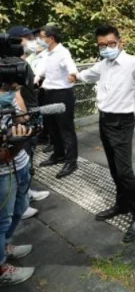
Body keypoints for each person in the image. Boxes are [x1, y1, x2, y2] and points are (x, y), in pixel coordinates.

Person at [68, 25, 135, 243]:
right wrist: (76, 76)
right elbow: (88, 74)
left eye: (111, 44)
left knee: (125, 171)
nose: (107, 48)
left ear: (120, 42)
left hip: (122, 122)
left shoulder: (132, 63)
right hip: (105, 119)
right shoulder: (103, 64)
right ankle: (122, 204)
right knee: (115, 168)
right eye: (102, 45)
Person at [6, 26, 50, 218]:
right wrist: (24, 117)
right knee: (20, 157)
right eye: (27, 38)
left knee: (28, 156)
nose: (33, 41)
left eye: (33, 37)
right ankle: (19, 204)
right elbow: (15, 93)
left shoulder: (23, 63)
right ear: (16, 41)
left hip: (31, 113)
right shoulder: (11, 65)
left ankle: (26, 193)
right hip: (23, 118)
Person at [0, 58, 36, 286]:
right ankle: (1, 267)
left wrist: (15, 91)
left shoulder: (8, 93)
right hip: (3, 172)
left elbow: (23, 118)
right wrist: (19, 142)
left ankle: (3, 245)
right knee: (2, 221)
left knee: (20, 209)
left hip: (20, 164)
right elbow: (4, 154)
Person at [36, 25, 78, 178]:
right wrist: (37, 78)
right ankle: (59, 155)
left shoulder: (62, 52)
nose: (40, 40)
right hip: (48, 94)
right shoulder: (48, 53)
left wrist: (73, 74)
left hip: (62, 95)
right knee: (52, 126)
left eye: (42, 37)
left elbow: (71, 66)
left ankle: (71, 161)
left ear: (51, 38)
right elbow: (43, 70)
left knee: (66, 129)